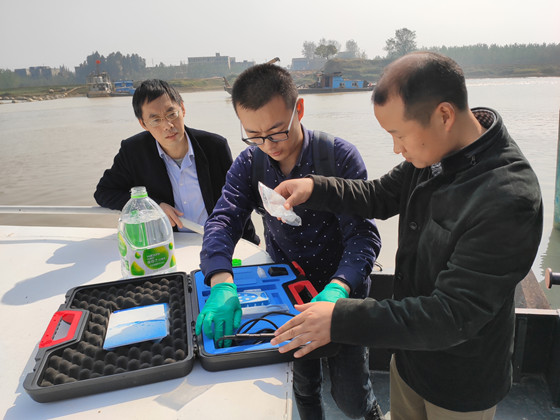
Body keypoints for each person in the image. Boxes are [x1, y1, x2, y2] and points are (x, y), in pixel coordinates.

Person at [271, 51, 544, 420]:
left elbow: (451, 315)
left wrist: (339, 319)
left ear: (444, 115)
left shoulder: (508, 199)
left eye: (399, 135)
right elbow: (379, 195)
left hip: (460, 381)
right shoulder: (437, 153)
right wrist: (315, 187)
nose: (396, 148)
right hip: (409, 356)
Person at [196, 63, 385, 420]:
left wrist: (337, 289)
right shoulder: (250, 164)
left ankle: (369, 411)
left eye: (276, 132)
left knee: (351, 394)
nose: (268, 145)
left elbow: (362, 235)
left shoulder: (338, 157)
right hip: (286, 293)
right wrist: (220, 280)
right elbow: (224, 219)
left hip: (341, 291)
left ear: (299, 108)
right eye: (254, 135)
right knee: (303, 385)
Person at [94, 79, 259, 244]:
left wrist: (251, 241)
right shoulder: (133, 151)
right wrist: (152, 207)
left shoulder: (215, 146)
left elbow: (236, 199)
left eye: (171, 114)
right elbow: (104, 193)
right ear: (143, 124)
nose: (167, 125)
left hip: (216, 241)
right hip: (166, 244)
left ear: (183, 109)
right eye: (156, 120)